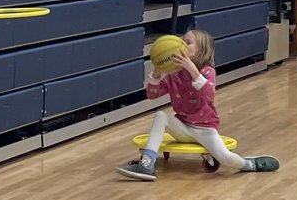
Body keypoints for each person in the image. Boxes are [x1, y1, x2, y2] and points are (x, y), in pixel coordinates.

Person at [116, 29, 280, 181]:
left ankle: (249, 164)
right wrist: (157, 73)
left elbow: (208, 95)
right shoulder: (174, 74)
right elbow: (152, 95)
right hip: (183, 127)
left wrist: (192, 70)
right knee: (160, 116)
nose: (181, 45)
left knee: (225, 157)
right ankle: (146, 165)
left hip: (205, 129)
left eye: (188, 43)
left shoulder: (207, 71)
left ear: (201, 51)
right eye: (182, 41)